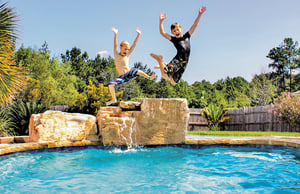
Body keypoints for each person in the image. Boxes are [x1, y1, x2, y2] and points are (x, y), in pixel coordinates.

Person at [150, 6, 206, 85]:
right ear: (172, 33)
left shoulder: (187, 36)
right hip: (178, 60)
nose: (176, 32)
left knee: (173, 82)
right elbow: (162, 33)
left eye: (177, 29)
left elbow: (195, 25)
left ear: (181, 29)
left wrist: (199, 14)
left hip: (185, 62)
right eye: (174, 31)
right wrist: (161, 21)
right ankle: (160, 60)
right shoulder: (175, 40)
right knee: (165, 76)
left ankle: (164, 65)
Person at [106, 27, 156, 106]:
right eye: (125, 49)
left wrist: (139, 35)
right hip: (122, 77)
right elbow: (115, 45)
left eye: (127, 50)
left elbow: (134, 45)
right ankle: (113, 99)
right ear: (121, 48)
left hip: (129, 73)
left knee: (136, 70)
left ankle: (148, 77)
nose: (126, 51)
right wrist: (116, 34)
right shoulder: (116, 54)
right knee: (110, 85)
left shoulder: (127, 55)